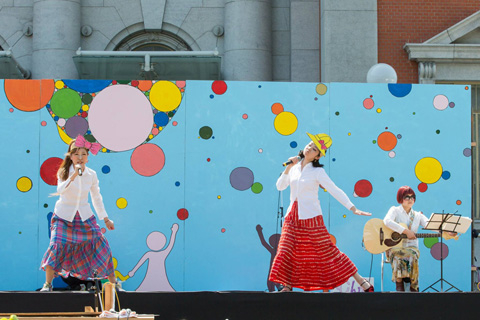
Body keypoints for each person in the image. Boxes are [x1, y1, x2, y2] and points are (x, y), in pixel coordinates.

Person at [269, 132, 374, 292]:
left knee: (327, 251)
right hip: (292, 216)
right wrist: (288, 167)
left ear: (318, 156)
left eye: (314, 149)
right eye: (310, 145)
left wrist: (352, 208)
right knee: (286, 249)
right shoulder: (294, 167)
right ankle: (287, 286)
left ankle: (360, 281)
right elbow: (280, 186)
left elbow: (334, 189)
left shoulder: (317, 172)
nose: (310, 148)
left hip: (311, 216)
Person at [40, 135, 116, 291]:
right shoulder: (64, 171)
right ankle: (48, 284)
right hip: (63, 216)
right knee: (57, 245)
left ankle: (114, 284)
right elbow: (61, 189)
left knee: (101, 244)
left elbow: (96, 197)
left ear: (88, 157)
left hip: (84, 216)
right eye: (76, 154)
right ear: (70, 156)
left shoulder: (92, 175)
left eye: (83, 154)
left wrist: (105, 218)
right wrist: (74, 175)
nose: (80, 158)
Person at [383, 186, 427, 292]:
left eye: (413, 197)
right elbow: (387, 221)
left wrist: (445, 231)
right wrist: (405, 231)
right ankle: (399, 285)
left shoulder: (418, 215)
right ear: (401, 198)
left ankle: (413, 286)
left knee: (412, 255)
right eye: (407, 197)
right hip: (395, 246)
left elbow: (429, 224)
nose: (411, 199)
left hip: (411, 247)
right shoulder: (395, 210)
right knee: (397, 253)